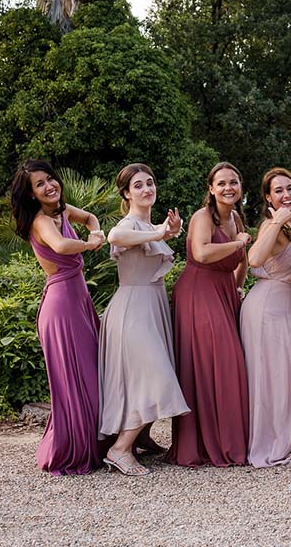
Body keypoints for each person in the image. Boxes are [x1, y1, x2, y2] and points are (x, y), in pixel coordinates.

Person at [9, 160, 105, 475]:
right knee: (77, 380)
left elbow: (90, 217)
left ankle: (98, 443)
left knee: (93, 372)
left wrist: (96, 229)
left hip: (79, 299)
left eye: (50, 179)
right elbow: (62, 245)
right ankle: (76, 449)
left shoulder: (60, 211)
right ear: (31, 194)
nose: (49, 186)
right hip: (62, 305)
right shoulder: (40, 220)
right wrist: (90, 245)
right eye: (40, 184)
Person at [98, 163, 191, 476]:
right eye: (138, 185)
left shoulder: (148, 225)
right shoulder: (129, 224)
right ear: (126, 193)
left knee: (145, 375)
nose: (146, 189)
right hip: (132, 309)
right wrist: (161, 232)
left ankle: (143, 436)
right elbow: (114, 235)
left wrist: (169, 231)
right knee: (156, 374)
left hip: (153, 306)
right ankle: (119, 449)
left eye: (150, 183)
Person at [169, 162, 251, 467]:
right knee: (216, 362)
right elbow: (202, 253)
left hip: (223, 293)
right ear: (211, 188)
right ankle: (207, 443)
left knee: (224, 363)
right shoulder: (203, 217)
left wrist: (239, 288)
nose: (229, 188)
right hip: (197, 292)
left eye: (234, 182)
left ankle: (227, 438)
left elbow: (241, 261)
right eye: (222, 183)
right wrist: (238, 242)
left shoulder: (237, 220)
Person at [241, 167, 291, 467]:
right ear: (268, 197)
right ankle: (277, 439)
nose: (286, 195)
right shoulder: (272, 224)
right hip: (269, 307)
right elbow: (253, 259)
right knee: (276, 376)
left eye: (289, 188)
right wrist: (276, 222)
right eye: (278, 190)